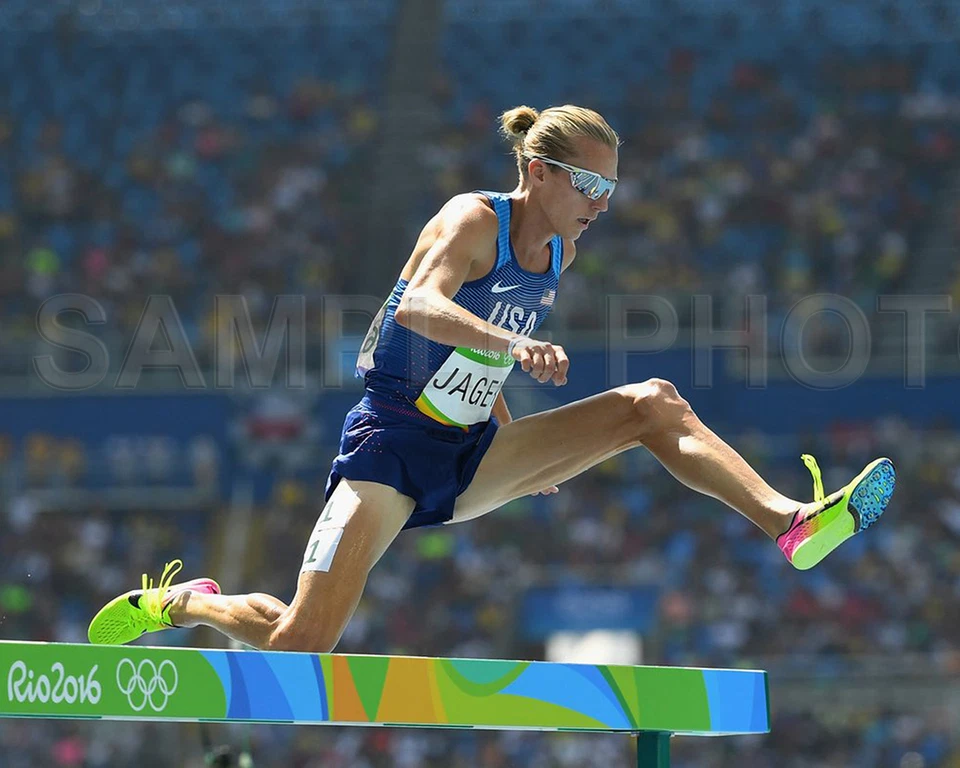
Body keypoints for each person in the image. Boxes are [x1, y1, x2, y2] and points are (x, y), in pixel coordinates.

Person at [88, 105, 896, 652]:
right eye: (591, 185)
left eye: (613, 189)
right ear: (539, 172)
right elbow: (420, 311)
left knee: (652, 404)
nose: (603, 204)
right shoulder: (474, 219)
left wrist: (512, 434)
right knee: (302, 643)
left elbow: (480, 355)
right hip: (391, 448)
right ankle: (186, 602)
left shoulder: (560, 253)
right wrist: (509, 352)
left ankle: (790, 521)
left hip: (474, 450)